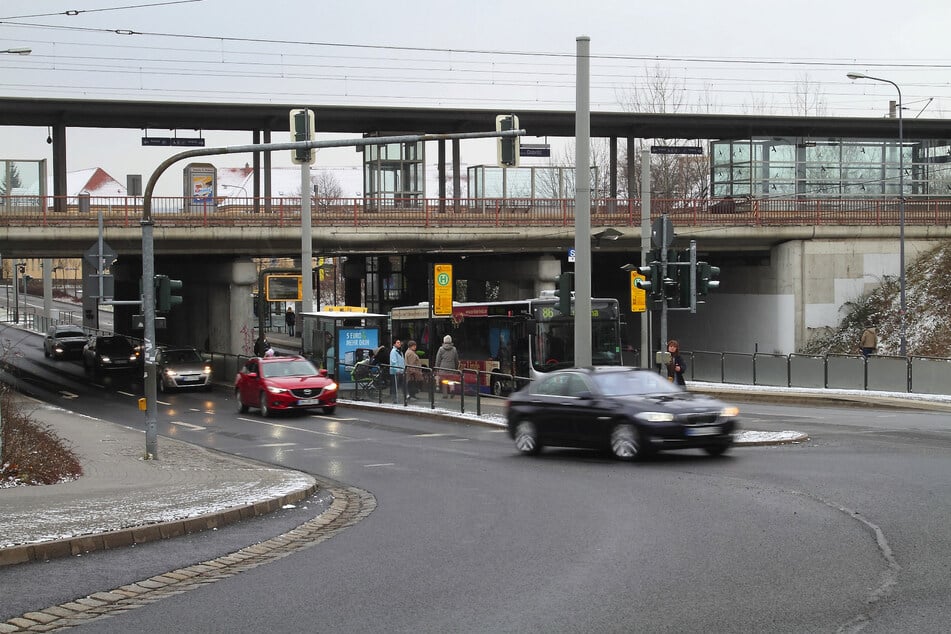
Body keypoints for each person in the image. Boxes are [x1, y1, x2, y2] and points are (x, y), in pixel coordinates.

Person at [434, 334, 461, 399]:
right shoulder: (454, 349)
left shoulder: (441, 349)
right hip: (452, 368)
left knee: (444, 381)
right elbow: (456, 360)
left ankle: (445, 395)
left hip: (442, 368)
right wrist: (456, 368)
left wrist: (437, 367)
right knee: (451, 380)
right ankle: (452, 391)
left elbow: (438, 359)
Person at [389, 338, 405, 404]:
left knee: (400, 385)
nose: (399, 344)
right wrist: (397, 370)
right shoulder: (393, 351)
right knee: (395, 386)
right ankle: (394, 399)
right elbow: (393, 362)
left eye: (399, 342)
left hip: (401, 371)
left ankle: (401, 397)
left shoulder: (400, 351)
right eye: (397, 342)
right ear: (394, 344)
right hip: (395, 372)